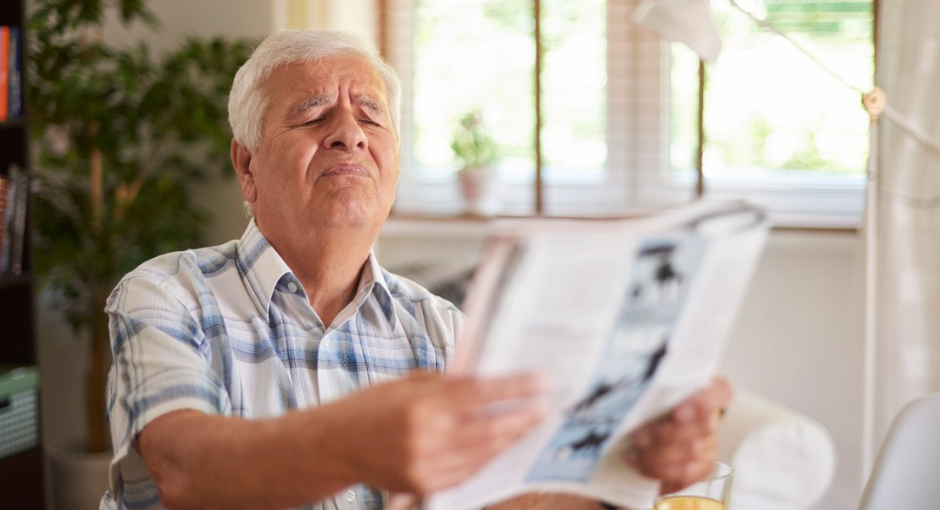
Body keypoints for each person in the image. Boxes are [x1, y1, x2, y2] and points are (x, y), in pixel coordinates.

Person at [102, 29, 732, 510]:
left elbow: (509, 500)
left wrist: (626, 470)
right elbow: (180, 471)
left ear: (394, 165)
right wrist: (351, 443)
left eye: (371, 116)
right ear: (246, 165)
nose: (349, 133)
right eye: (312, 115)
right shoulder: (166, 294)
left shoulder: (444, 332)